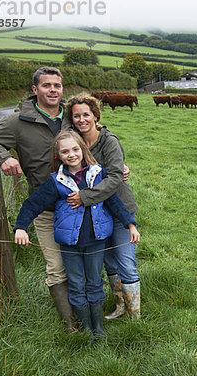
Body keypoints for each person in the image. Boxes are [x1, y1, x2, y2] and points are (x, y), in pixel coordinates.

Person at [0, 67, 77, 330]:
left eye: (57, 86)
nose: (53, 90)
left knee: (83, 260)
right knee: (55, 265)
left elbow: (99, 136)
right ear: (35, 90)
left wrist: (118, 162)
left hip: (81, 205)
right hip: (45, 207)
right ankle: (70, 324)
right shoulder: (18, 122)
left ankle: (88, 314)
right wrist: (3, 156)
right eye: (47, 86)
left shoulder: (73, 116)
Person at [12, 130, 140, 339]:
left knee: (94, 281)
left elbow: (114, 202)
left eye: (74, 149)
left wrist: (130, 224)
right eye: (64, 151)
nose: (71, 154)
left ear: (83, 149)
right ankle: (86, 327)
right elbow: (33, 204)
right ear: (58, 156)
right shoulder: (57, 181)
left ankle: (98, 328)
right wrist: (20, 227)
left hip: (96, 242)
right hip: (69, 244)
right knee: (77, 283)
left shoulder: (98, 174)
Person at [65, 94, 141, 319]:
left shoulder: (109, 140)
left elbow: (116, 177)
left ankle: (135, 316)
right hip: (97, 213)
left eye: (86, 115)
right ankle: (120, 307)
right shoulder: (74, 142)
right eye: (76, 116)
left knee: (126, 261)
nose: (81, 120)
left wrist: (85, 196)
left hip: (119, 209)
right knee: (109, 262)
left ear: (96, 116)